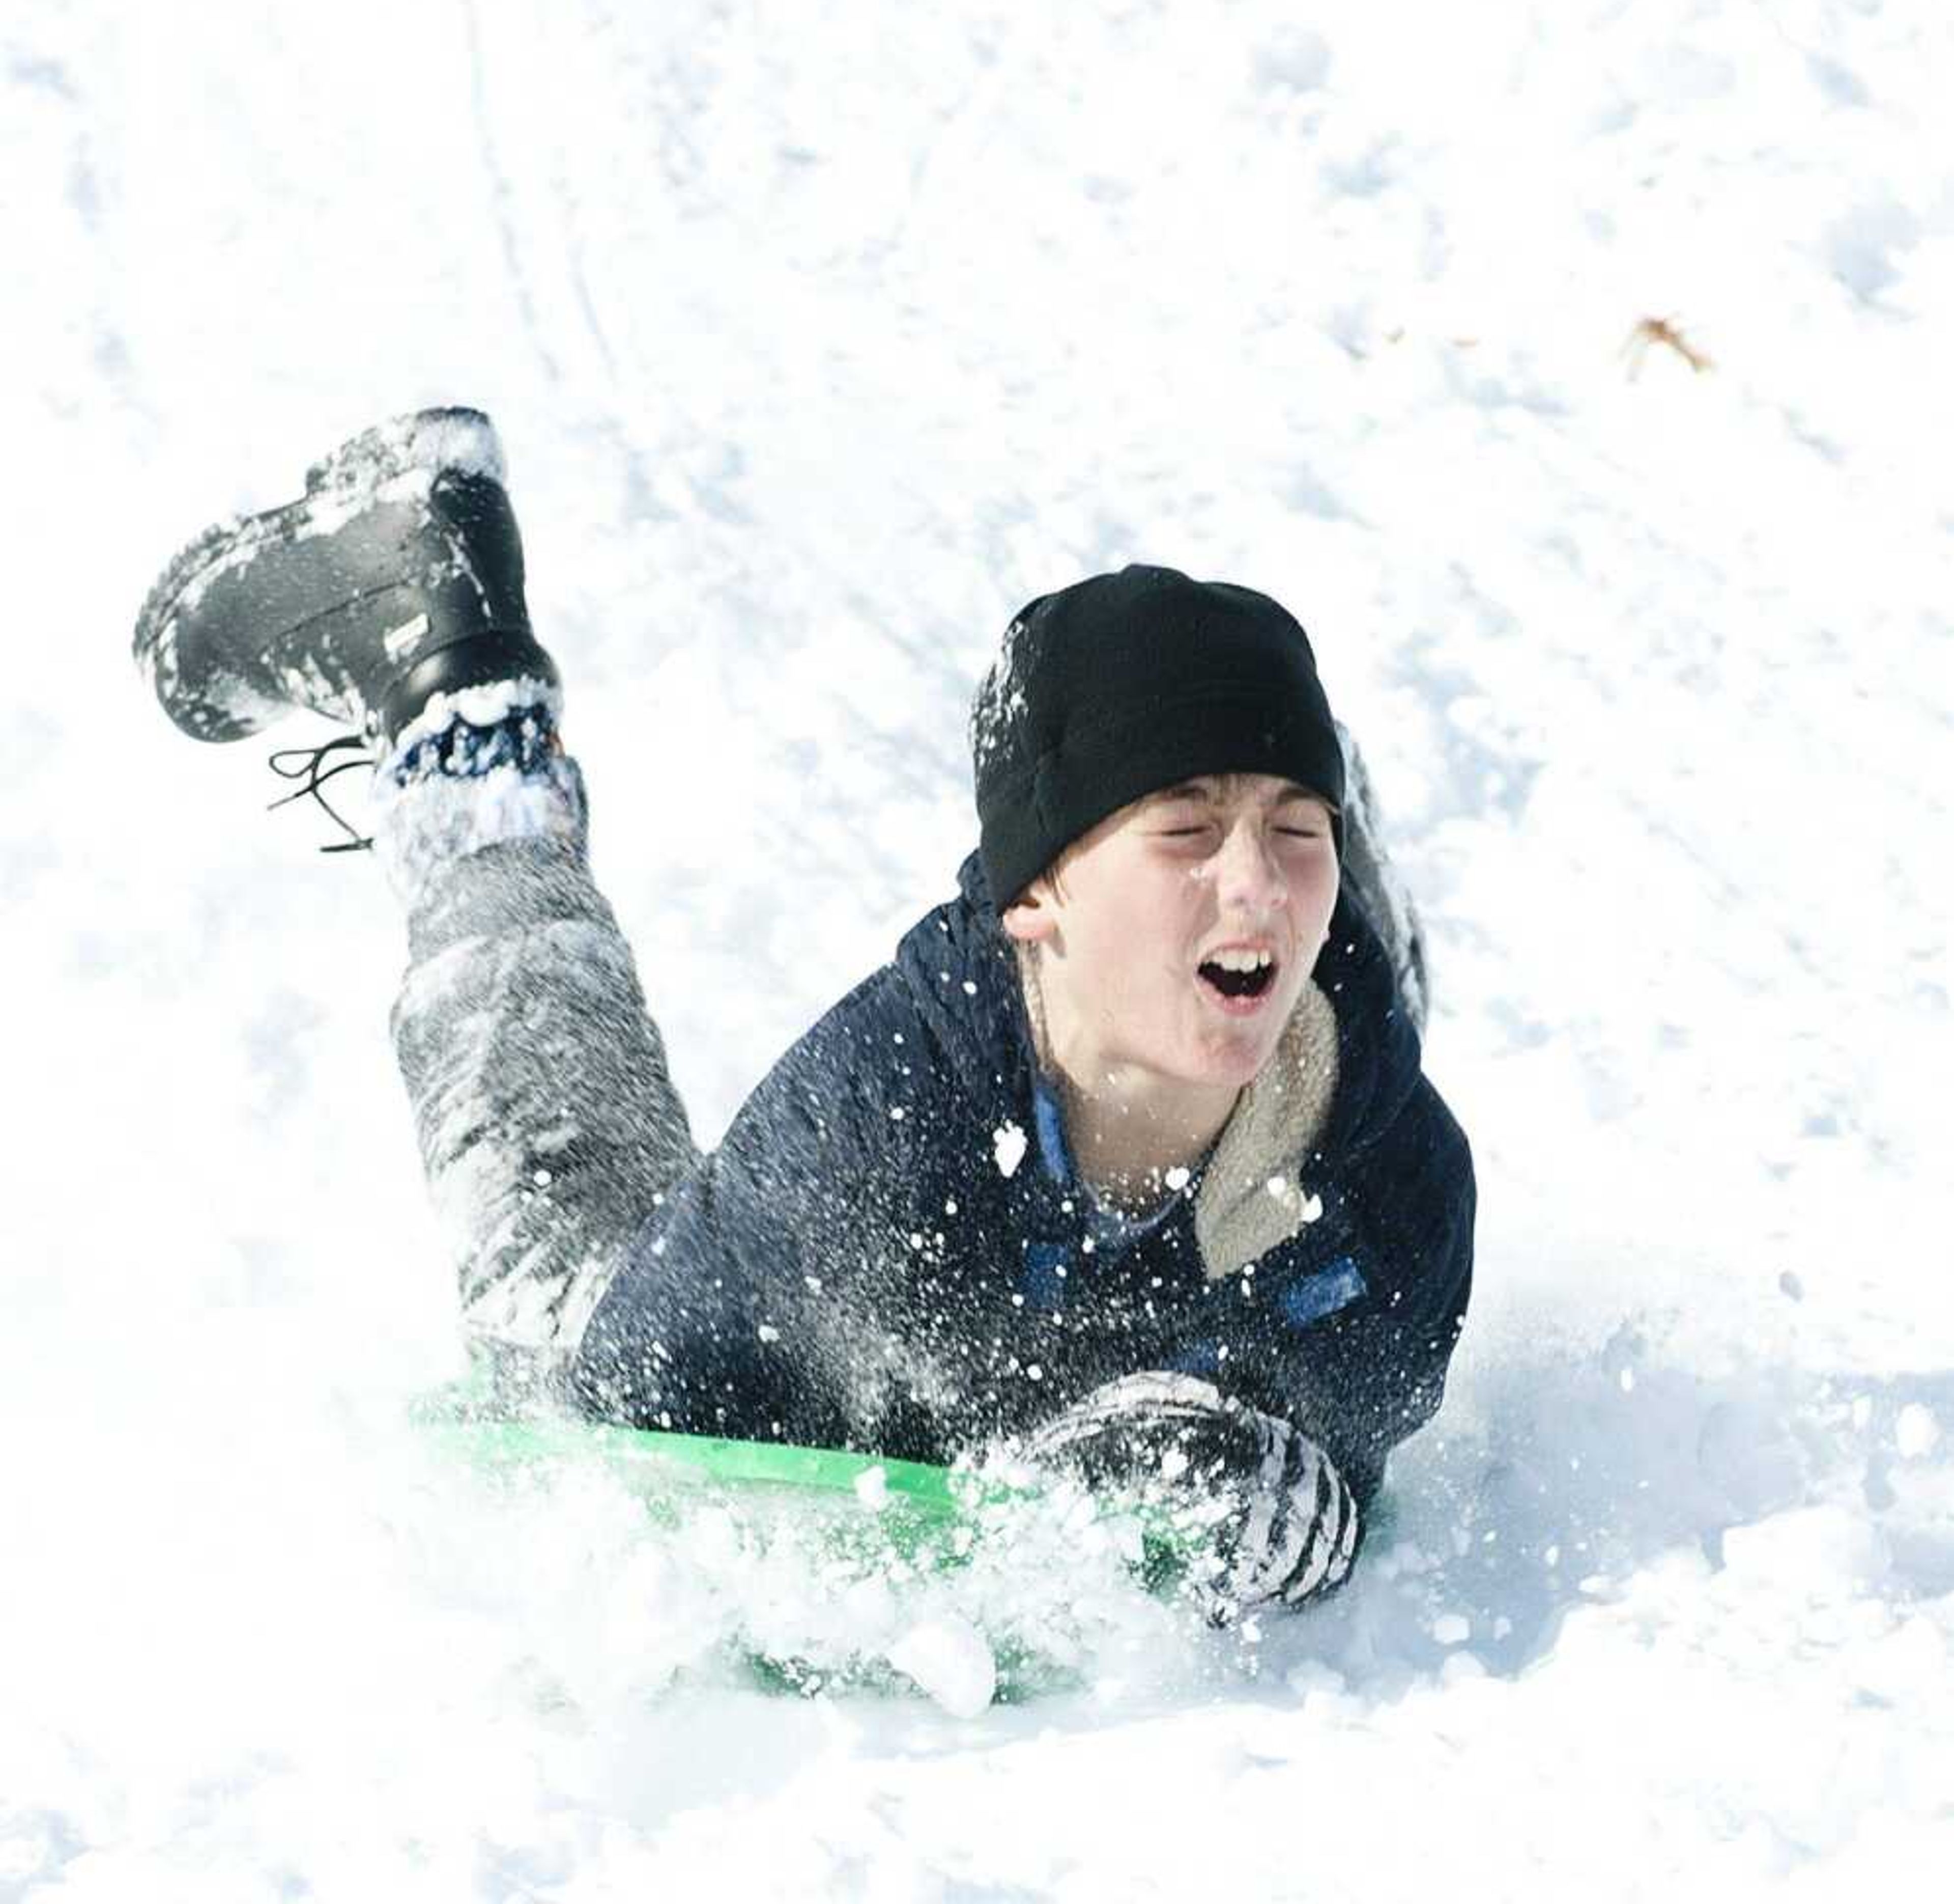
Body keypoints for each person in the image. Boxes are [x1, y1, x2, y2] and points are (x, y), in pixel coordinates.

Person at [133, 406, 1474, 1618]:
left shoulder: (1393, 1165)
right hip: (761, 1336)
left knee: (1310, 969)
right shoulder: (879, 1119)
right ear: (1035, 898)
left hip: (1244, 1131)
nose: (1254, 876)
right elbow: (620, 1443)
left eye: (1297, 826)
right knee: (552, 1279)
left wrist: (1267, 1450)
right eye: (1184, 825)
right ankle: (455, 697)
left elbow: (1353, 1407)